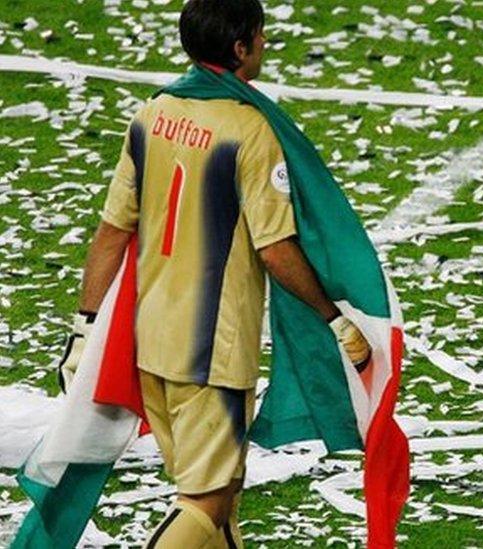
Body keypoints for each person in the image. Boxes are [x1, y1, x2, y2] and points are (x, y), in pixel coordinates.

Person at [53, 1, 372, 546]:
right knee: (207, 501)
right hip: (212, 352)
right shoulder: (247, 128)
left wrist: (84, 329)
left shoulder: (152, 115)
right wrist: (333, 317)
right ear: (241, 47)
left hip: (147, 341)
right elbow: (276, 249)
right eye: (261, 36)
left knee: (221, 504)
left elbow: (111, 231)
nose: (266, 44)